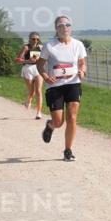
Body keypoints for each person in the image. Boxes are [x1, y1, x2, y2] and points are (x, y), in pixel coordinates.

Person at [37, 16, 88, 161]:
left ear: (70, 28)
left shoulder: (78, 44)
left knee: (72, 117)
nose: (64, 27)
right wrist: (46, 77)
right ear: (56, 29)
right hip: (55, 86)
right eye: (61, 25)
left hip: (73, 83)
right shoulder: (50, 46)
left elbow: (82, 62)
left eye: (67, 25)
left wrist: (82, 71)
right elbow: (40, 64)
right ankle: (51, 125)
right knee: (59, 121)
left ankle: (68, 150)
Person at [16, 33, 45, 119]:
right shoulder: (26, 48)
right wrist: (28, 60)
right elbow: (17, 60)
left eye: (37, 39)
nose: (35, 41)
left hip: (38, 69)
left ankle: (39, 112)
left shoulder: (41, 48)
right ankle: (28, 100)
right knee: (32, 91)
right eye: (33, 39)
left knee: (38, 91)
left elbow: (46, 58)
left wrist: (40, 61)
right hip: (27, 69)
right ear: (29, 39)